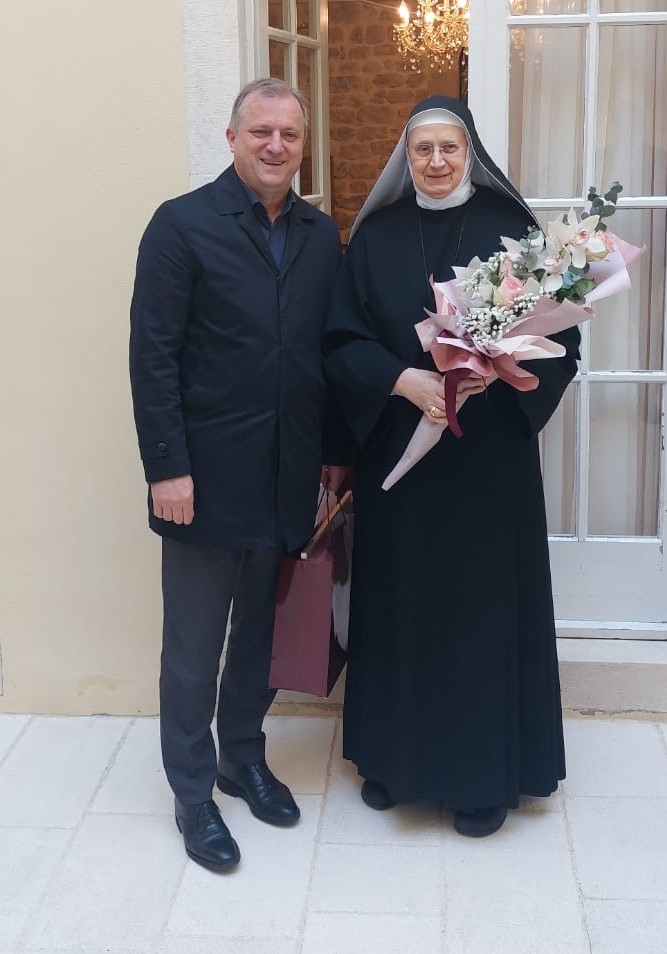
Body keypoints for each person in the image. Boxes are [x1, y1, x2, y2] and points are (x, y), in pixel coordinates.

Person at [322, 95, 580, 838]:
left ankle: (481, 778)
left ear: (470, 154)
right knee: (399, 604)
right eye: (422, 149)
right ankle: (392, 763)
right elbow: (340, 340)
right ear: (406, 159)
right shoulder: (375, 236)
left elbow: (560, 340)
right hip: (400, 461)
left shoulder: (513, 231)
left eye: (449, 148)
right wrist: (402, 380)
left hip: (487, 462)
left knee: (479, 610)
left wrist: (497, 374)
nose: (436, 161)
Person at [129, 78, 347, 872]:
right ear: (231, 139)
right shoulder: (181, 225)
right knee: (193, 648)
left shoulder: (320, 235)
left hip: (286, 476)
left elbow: (324, 355)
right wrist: (167, 468)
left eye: (289, 134)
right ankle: (193, 793)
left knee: (259, 633)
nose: (275, 146)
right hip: (202, 481)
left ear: (302, 145)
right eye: (261, 131)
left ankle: (241, 757)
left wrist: (331, 455)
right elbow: (152, 356)